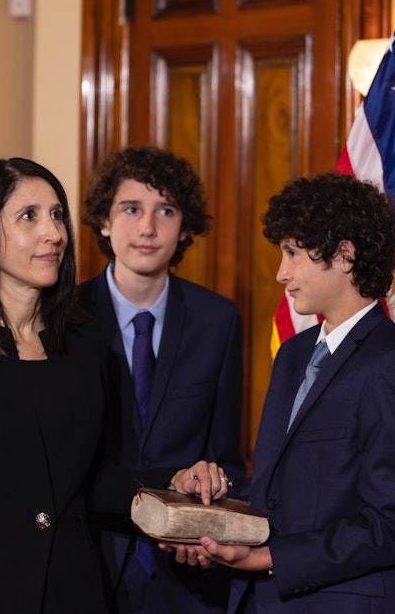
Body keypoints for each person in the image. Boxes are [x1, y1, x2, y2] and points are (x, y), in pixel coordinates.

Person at [0, 157, 225, 613]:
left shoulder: (84, 340)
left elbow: (96, 482)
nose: (55, 233)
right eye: (30, 216)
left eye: (57, 214)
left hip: (72, 591)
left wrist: (173, 481)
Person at [163, 172, 395, 613]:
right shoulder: (292, 354)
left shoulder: (391, 365)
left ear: (345, 255)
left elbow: (390, 527)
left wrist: (267, 558)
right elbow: (273, 492)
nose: (280, 273)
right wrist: (208, 512)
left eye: (293, 254)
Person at [79, 145, 246, 613]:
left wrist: (209, 517)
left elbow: (225, 456)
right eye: (131, 209)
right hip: (89, 565)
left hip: (188, 573)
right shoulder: (68, 320)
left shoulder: (218, 320)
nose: (148, 228)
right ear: (105, 221)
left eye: (165, 211)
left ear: (184, 225)